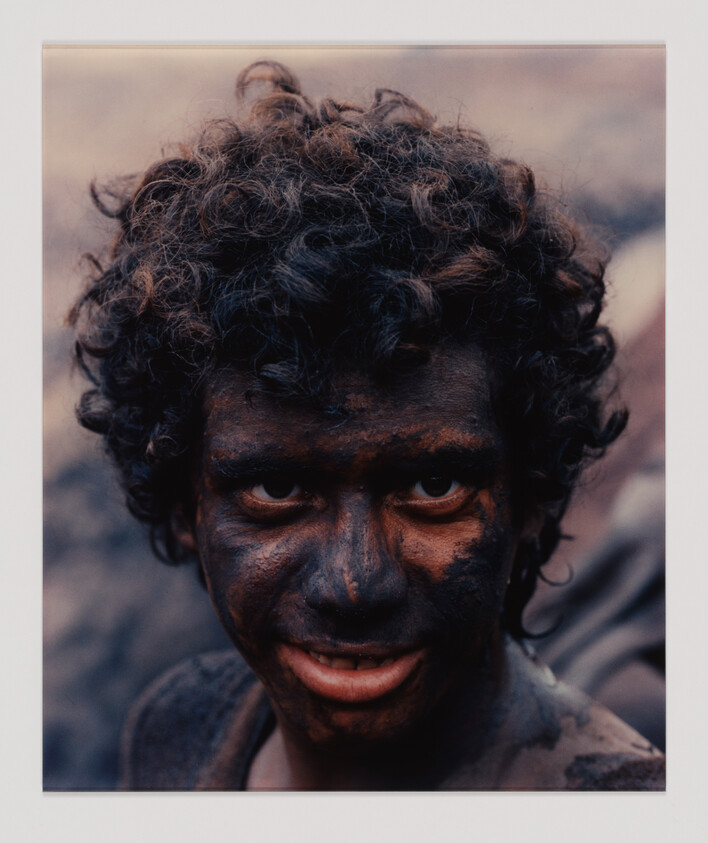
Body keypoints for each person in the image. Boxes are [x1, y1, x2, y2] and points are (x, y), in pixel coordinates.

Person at [69, 61, 665, 790]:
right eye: (278, 486)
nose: (354, 584)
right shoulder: (179, 730)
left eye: (432, 483)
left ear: (532, 496)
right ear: (183, 503)